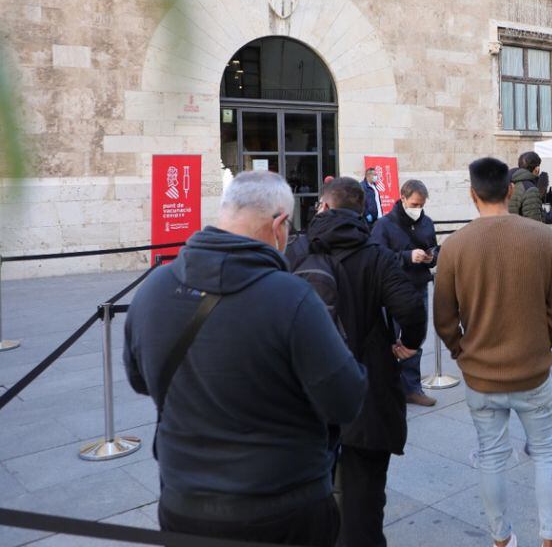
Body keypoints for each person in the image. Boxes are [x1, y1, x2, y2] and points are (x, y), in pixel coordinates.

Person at [124, 171, 366, 546]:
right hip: (285, 507)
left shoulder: (153, 288)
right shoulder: (293, 298)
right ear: (280, 224)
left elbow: (140, 379)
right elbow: (346, 400)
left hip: (183, 503)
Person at [434, 157, 552, 547]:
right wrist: (543, 340)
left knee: (491, 458)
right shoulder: (542, 237)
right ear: (510, 190)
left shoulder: (456, 245)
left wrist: (460, 349)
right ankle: (550, 540)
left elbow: (444, 316)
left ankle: (502, 539)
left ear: (472, 193)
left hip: (480, 374)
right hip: (533, 370)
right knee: (546, 452)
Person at [293, 176, 426, 547]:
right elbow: (411, 308)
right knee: (363, 498)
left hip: (305, 395)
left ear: (323, 206)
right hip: (364, 389)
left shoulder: (295, 252)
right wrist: (408, 343)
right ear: (361, 212)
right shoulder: (376, 257)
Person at [370, 178, 439, 407]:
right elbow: (378, 257)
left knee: (414, 339)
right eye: (415, 204)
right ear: (403, 199)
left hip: (419, 286)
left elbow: (434, 249)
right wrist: (407, 257)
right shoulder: (384, 225)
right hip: (393, 289)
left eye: (421, 205)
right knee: (391, 339)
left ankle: (412, 388)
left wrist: (431, 257)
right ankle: (389, 388)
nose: (418, 209)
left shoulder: (426, 222)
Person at [507, 151, 545, 222]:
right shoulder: (531, 189)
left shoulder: (505, 182)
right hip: (521, 231)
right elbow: (534, 225)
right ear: (537, 169)